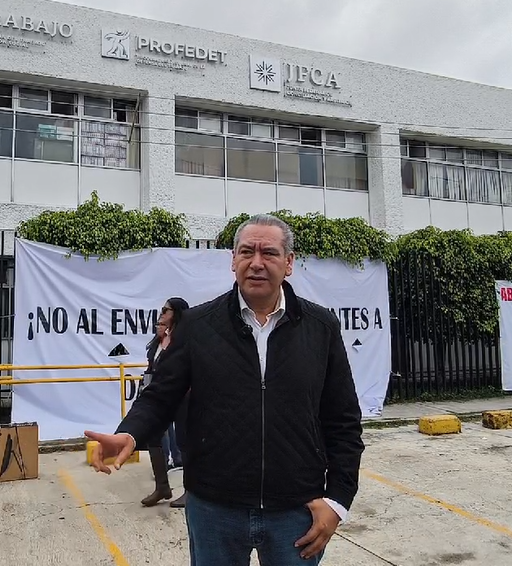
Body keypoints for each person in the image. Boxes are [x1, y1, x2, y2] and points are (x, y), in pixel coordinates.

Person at [85, 214, 365, 565]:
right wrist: (129, 434)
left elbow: (343, 421)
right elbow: (161, 396)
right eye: (247, 252)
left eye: (270, 253)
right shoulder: (199, 325)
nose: (257, 263)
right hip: (214, 510)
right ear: (233, 260)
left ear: (289, 263)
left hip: (296, 510)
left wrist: (337, 502)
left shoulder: (321, 327)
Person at [139, 297, 190, 508]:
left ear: (177, 313)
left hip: (184, 397)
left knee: (185, 440)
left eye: (165, 310)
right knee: (154, 437)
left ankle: (191, 491)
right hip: (162, 396)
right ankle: (162, 486)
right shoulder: (160, 340)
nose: (161, 314)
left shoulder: (185, 338)